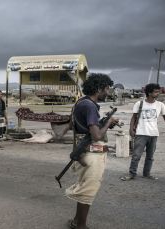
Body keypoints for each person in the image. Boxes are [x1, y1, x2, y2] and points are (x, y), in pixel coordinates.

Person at [65, 73, 119, 229]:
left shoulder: (81, 102)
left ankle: (76, 222)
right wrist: (109, 122)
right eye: (106, 89)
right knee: (87, 191)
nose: (107, 93)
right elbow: (96, 136)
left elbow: (75, 126)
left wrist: (105, 123)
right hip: (92, 153)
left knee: (84, 189)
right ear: (98, 88)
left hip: (84, 152)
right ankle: (81, 226)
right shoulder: (90, 106)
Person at [120, 83, 165, 181]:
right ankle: (132, 174)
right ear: (149, 92)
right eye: (156, 91)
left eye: (158, 91)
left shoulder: (160, 105)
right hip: (141, 133)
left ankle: (146, 174)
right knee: (136, 156)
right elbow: (133, 118)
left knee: (150, 156)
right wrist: (131, 129)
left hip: (154, 134)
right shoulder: (139, 104)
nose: (158, 93)